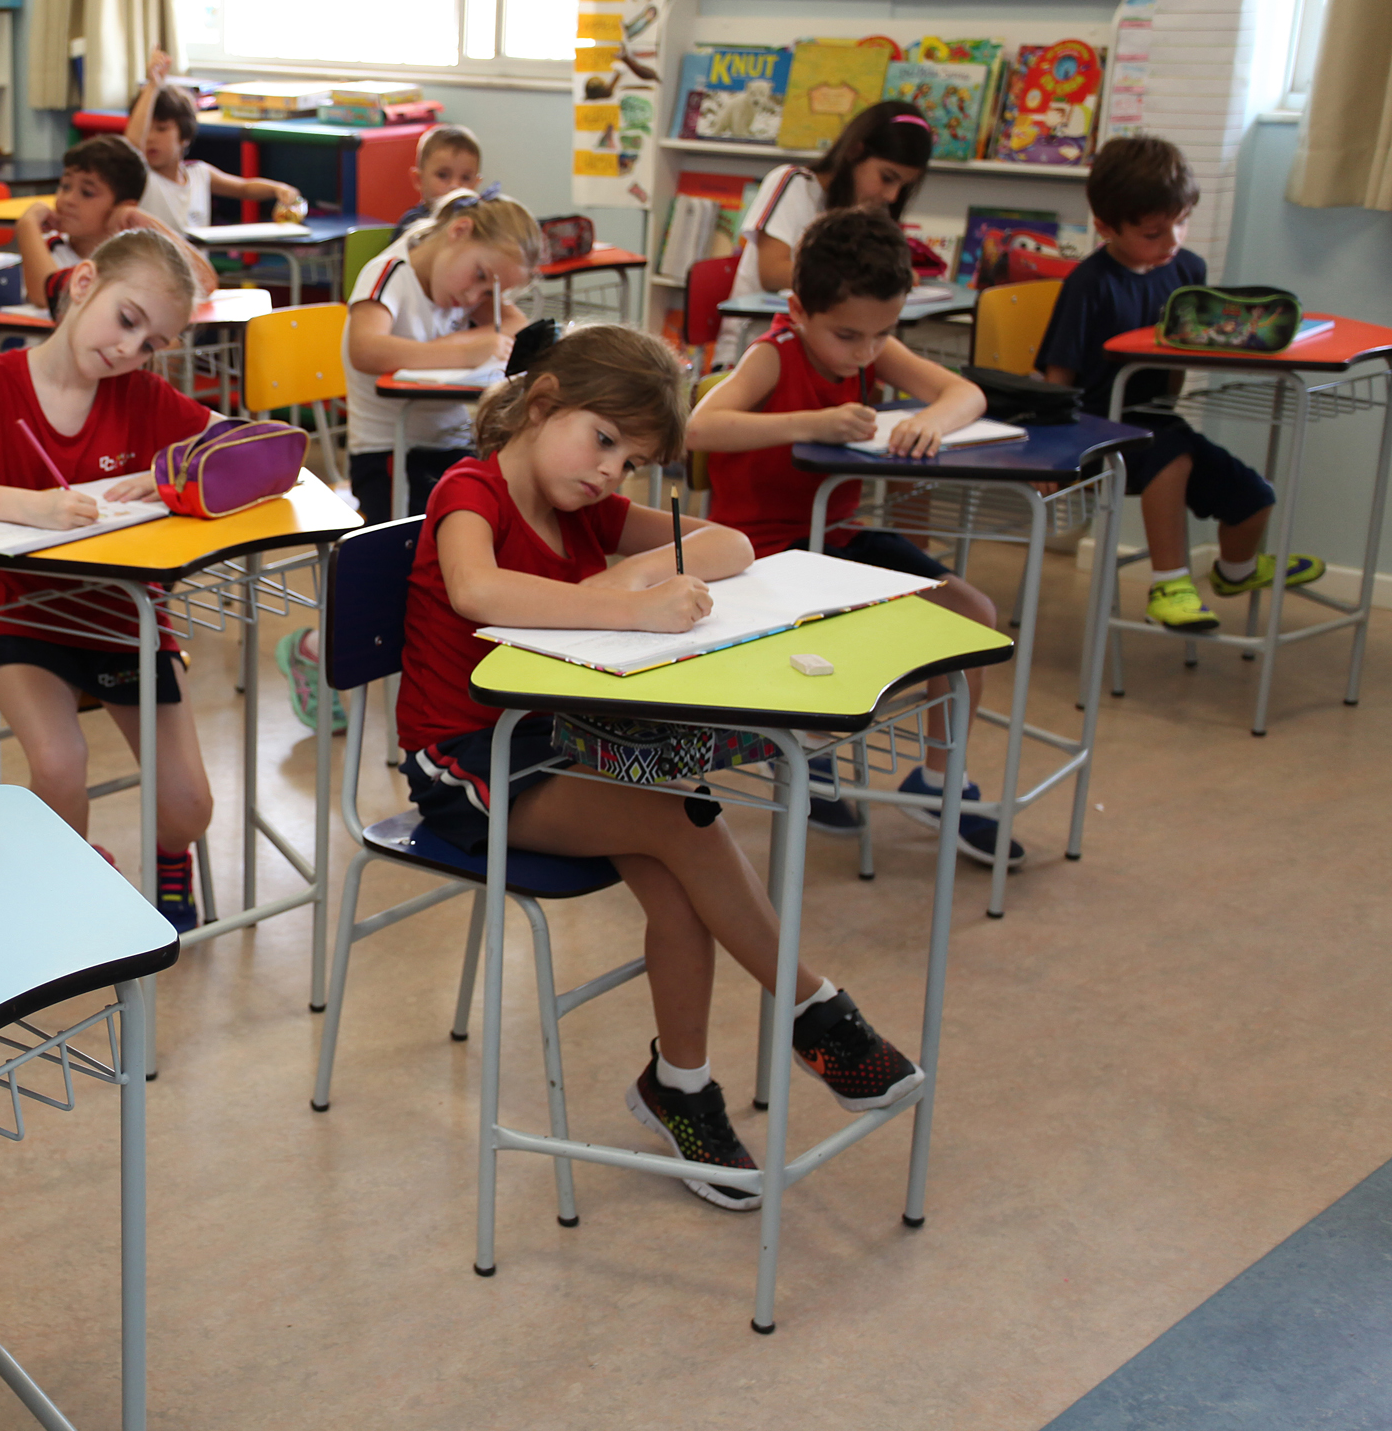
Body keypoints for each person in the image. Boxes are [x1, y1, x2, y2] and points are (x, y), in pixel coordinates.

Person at [398, 322, 924, 1210]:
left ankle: (680, 1087)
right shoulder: (470, 489)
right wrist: (627, 607)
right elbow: (476, 591)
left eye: (632, 460)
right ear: (543, 404)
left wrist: (627, 574)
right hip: (468, 764)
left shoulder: (581, 506)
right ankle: (815, 1010)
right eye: (603, 440)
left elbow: (729, 545)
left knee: (679, 870)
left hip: (559, 739)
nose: (611, 472)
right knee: (679, 813)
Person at [689, 207, 1022, 863]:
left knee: (975, 619)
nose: (866, 352)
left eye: (883, 334)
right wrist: (809, 421)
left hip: (837, 538)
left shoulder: (868, 343)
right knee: (838, 656)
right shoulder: (773, 354)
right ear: (798, 309)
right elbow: (699, 427)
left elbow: (966, 394)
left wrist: (932, 421)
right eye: (848, 336)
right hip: (763, 553)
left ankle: (936, 779)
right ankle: (805, 747)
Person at [0, 230, 217, 927]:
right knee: (59, 764)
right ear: (83, 284)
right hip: (25, 619)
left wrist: (172, 473)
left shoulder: (142, 395)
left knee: (190, 807)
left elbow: (250, 447)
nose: (128, 349)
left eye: (151, 343)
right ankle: (69, 876)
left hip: (126, 620)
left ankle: (171, 857)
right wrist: (38, 507)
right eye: (128, 318)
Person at [1037, 135, 1319, 632]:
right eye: (1153, 232)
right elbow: (1057, 377)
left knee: (1254, 495)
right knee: (1172, 456)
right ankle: (1168, 583)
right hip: (1094, 429)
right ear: (1105, 227)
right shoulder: (1089, 283)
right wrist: (1048, 453)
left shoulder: (1187, 270)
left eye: (1182, 222)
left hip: (1157, 420)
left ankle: (1237, 571)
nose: (1172, 241)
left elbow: (1177, 366)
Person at [340, 194, 542, 525]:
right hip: (389, 455)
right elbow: (365, 349)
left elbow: (516, 324)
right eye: (479, 276)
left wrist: (465, 341)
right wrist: (463, 351)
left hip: (452, 445)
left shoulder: (461, 285)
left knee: (516, 507)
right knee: (448, 531)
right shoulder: (389, 273)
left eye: (489, 295)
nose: (473, 298)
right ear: (459, 230)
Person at [725, 100, 932, 359]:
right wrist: (866, 280)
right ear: (855, 152)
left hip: (827, 356)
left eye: (904, 186)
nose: (892, 195)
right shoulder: (793, 183)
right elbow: (772, 273)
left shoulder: (865, 210)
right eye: (887, 177)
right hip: (755, 350)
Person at [14, 135, 214, 312]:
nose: (68, 199)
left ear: (123, 206)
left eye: (87, 193)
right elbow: (47, 295)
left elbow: (205, 283)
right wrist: (27, 225)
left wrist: (147, 222)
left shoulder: (137, 257)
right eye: (65, 186)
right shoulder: (51, 249)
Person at [122, 48, 305, 231]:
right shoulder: (143, 178)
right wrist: (153, 86)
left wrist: (278, 189)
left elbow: (244, 187)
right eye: (146, 131)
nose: (150, 139)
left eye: (161, 129)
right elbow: (133, 145)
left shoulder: (200, 173)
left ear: (184, 137)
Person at [392, 124, 491, 234]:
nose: (455, 186)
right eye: (443, 175)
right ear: (419, 180)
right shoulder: (414, 222)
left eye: (466, 178)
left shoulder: (478, 223)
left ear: (475, 184)